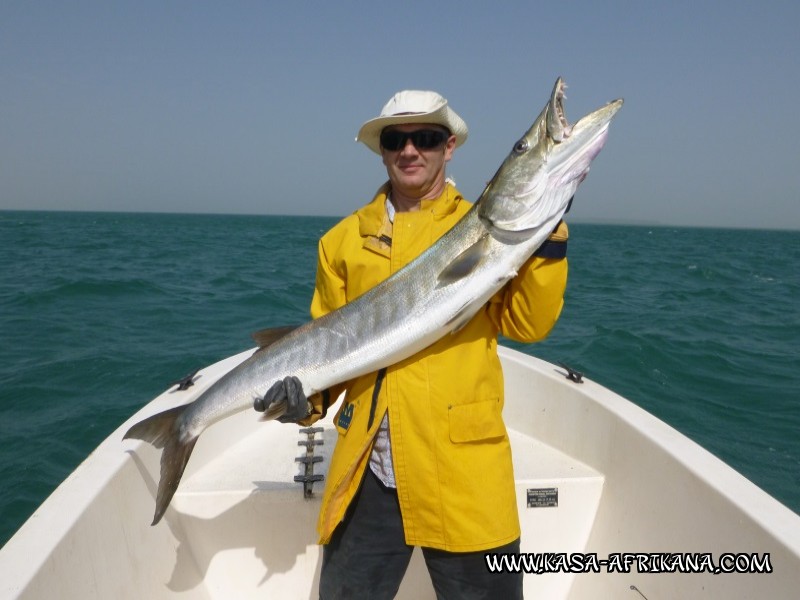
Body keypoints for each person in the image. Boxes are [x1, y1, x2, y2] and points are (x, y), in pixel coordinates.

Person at [256, 90, 569, 599]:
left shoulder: (482, 228)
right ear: (381, 151)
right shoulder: (341, 242)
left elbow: (529, 323)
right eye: (396, 140)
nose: (409, 151)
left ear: (449, 147)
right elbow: (326, 354)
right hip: (369, 472)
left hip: (462, 469)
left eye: (424, 138)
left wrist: (547, 239)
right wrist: (304, 402)